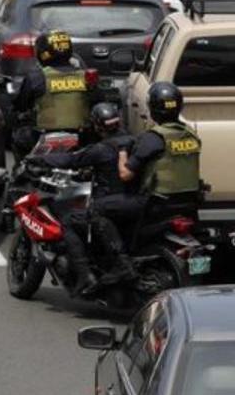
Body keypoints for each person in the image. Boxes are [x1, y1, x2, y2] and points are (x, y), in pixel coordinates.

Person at [31, 103, 136, 294]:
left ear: (97, 126)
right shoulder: (134, 142)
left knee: (68, 222)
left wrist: (40, 160)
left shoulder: (101, 149)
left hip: (110, 204)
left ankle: (84, 276)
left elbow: (72, 160)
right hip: (134, 202)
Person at [115, 82, 202, 228]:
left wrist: (122, 151)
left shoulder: (153, 137)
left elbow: (125, 175)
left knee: (100, 208)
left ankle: (120, 250)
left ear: (153, 109)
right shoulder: (190, 134)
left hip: (158, 203)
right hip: (189, 202)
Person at [11, 30, 92, 155]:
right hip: (83, 137)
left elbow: (21, 105)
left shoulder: (37, 77)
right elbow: (99, 99)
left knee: (18, 137)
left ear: (43, 54)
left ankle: (23, 168)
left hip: (44, 136)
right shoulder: (85, 76)